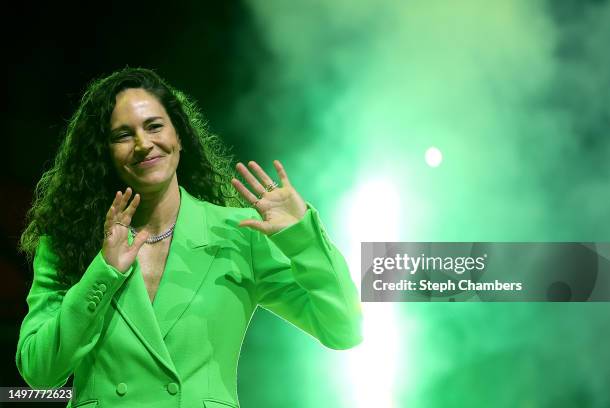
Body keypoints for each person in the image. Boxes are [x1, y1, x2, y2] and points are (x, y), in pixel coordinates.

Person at [16, 67, 362, 407]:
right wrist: (103, 271)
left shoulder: (239, 234)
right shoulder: (68, 241)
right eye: (122, 135)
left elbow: (344, 329)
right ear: (103, 152)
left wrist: (301, 237)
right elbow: (39, 372)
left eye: (154, 126)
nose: (142, 144)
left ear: (179, 136)